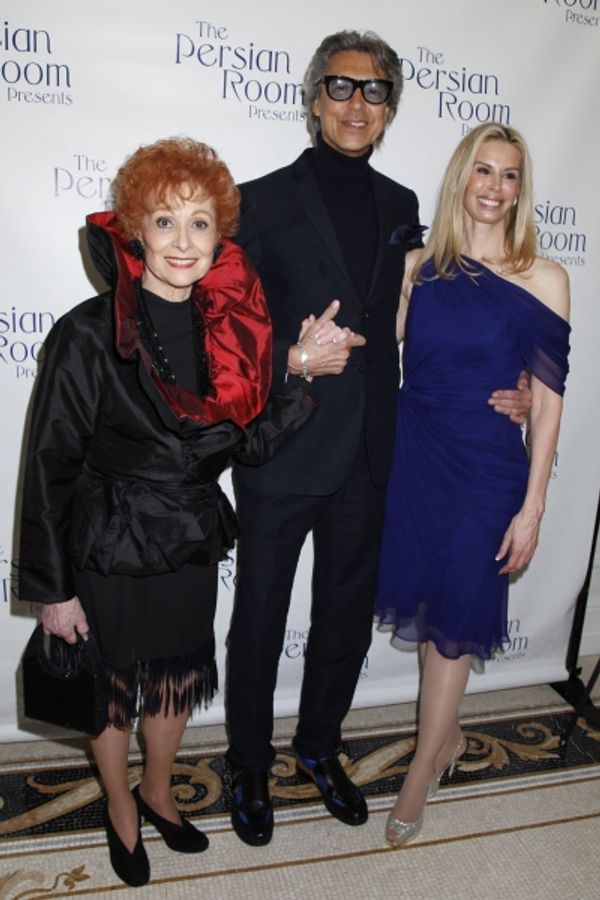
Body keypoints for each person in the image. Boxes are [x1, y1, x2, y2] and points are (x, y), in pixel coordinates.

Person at [226, 31, 531, 847]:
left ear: (390, 108)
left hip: (373, 453)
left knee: (343, 615)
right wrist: (290, 359)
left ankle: (318, 749)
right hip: (285, 444)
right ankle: (248, 764)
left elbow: (430, 319)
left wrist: (519, 379)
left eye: (374, 92)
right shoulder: (256, 201)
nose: (356, 104)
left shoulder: (403, 208)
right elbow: (224, 331)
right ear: (313, 97)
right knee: (259, 614)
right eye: (341, 87)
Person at [18, 137, 312, 886]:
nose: (183, 241)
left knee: (177, 677)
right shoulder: (88, 333)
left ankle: (157, 787)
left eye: (201, 224)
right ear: (134, 231)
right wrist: (52, 590)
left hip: (186, 538)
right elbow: (48, 466)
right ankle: (120, 802)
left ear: (221, 237)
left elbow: (243, 448)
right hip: (108, 540)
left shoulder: (233, 335)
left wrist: (300, 378)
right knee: (113, 685)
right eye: (165, 221)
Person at [376, 123, 570, 847]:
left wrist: (535, 506)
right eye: (482, 171)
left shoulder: (544, 278)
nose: (494, 187)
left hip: (488, 470)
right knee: (436, 612)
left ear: (522, 189)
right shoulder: (419, 267)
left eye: (509, 175)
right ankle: (448, 738)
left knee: (455, 625)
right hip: (416, 458)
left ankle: (422, 768)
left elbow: (548, 403)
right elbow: (376, 351)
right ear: (461, 177)